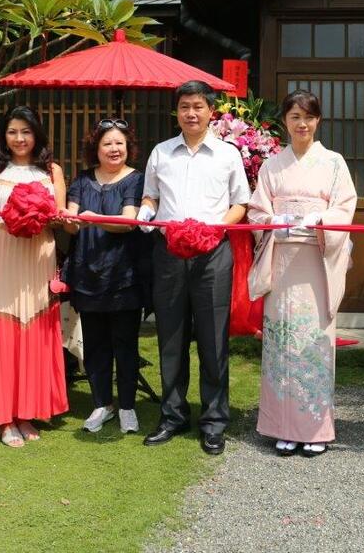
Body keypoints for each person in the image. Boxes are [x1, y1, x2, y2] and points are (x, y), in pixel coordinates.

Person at [139, 80, 251, 455]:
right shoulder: (161, 152)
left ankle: (214, 421)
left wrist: (214, 228)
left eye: (198, 106)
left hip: (212, 254)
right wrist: (145, 212)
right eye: (185, 106)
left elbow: (241, 204)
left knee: (213, 339)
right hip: (168, 253)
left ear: (211, 111)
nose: (191, 113)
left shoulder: (227, 153)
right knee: (170, 337)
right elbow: (151, 195)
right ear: (177, 111)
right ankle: (172, 415)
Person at [247, 90, 356, 457]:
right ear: (285, 121)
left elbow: (344, 208)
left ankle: (314, 428)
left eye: (308, 117)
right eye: (294, 116)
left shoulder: (335, 163)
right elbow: (257, 212)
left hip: (317, 262)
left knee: (314, 343)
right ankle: (281, 426)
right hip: (281, 259)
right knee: (280, 343)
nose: (302, 123)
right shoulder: (272, 165)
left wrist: (321, 220)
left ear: (318, 120)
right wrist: (273, 221)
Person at [0, 106, 68, 447]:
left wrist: (46, 215)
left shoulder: (52, 171)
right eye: (12, 131)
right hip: (0, 257)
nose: (19, 138)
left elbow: (60, 218)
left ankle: (26, 411)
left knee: (34, 330)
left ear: (37, 134)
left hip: (38, 259)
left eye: (26, 131)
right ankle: (3, 416)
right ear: (3, 136)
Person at [65, 117, 148, 435]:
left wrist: (92, 218)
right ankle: (102, 405)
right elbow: (72, 222)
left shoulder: (136, 180)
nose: (114, 149)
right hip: (87, 272)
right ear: (95, 149)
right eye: (107, 144)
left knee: (125, 344)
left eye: (119, 143)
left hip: (124, 274)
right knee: (96, 345)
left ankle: (127, 406)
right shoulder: (83, 181)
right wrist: (68, 220)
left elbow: (129, 222)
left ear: (128, 147)